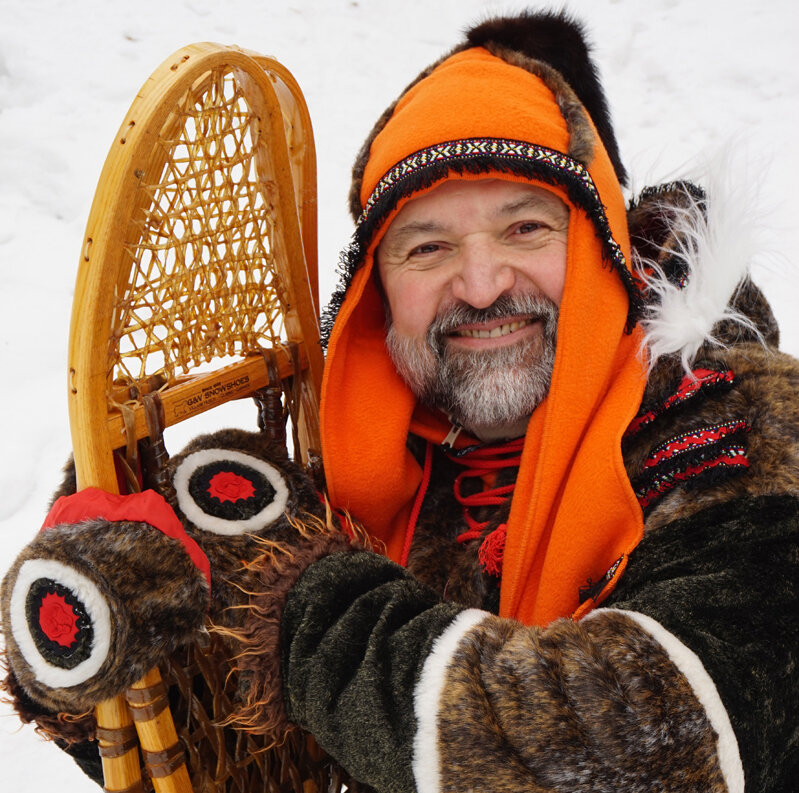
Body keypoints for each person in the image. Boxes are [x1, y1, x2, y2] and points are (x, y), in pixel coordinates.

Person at [230, 9, 798, 793]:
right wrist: (151, 619)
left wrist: (304, 614)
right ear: (376, 293)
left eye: (525, 227)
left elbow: (654, 750)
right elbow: (240, 759)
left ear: (601, 248)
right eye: (426, 246)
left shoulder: (749, 426)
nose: (482, 283)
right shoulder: (367, 476)